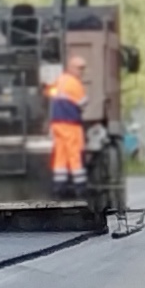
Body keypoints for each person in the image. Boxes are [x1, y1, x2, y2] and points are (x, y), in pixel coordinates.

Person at [46, 57, 89, 199]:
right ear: (71, 68)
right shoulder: (74, 84)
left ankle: (59, 188)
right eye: (79, 68)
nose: (81, 71)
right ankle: (80, 188)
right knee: (74, 154)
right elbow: (83, 103)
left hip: (56, 124)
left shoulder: (61, 79)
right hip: (70, 124)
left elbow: (49, 93)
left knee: (60, 155)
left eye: (82, 68)